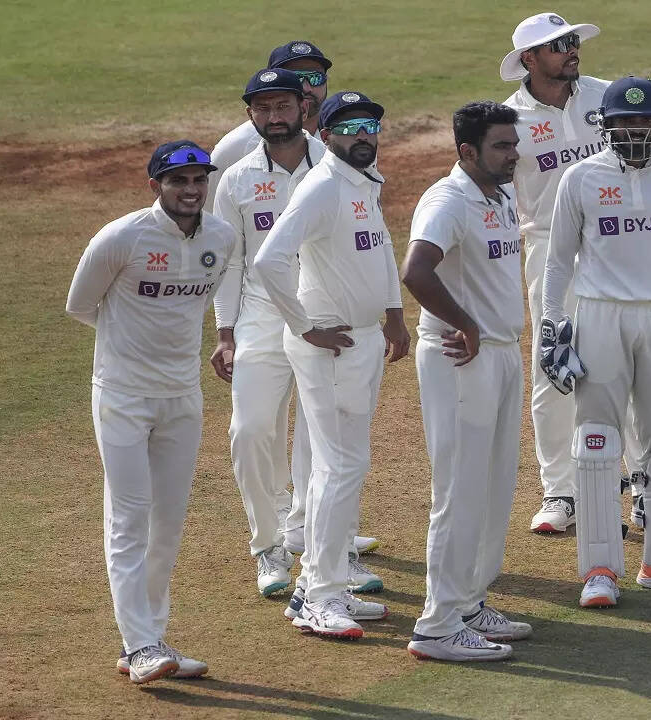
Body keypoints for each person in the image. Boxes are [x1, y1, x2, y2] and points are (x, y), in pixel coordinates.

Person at [540, 77, 651, 608]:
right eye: (626, 122)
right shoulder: (580, 178)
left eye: (645, 121)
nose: (636, 131)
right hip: (600, 316)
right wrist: (552, 328)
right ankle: (599, 569)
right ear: (607, 125)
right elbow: (558, 261)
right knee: (597, 443)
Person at [206, 40, 381, 558]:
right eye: (263, 108)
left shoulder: (336, 161)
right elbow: (231, 260)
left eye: (284, 104)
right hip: (262, 314)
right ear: (251, 114)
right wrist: (224, 332)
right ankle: (269, 542)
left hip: (324, 308)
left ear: (303, 107)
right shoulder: (235, 173)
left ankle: (322, 536)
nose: (275, 116)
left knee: (323, 436)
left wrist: (383, 311)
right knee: (249, 430)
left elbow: (367, 237)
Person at [66, 141, 233, 682]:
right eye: (178, 181)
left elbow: (201, 301)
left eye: (198, 180)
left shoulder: (221, 237)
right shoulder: (122, 237)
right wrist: (130, 346)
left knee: (168, 523)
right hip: (122, 396)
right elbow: (80, 305)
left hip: (182, 397)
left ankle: (148, 639)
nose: (191, 190)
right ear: (155, 185)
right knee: (129, 518)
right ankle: (140, 645)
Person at [253, 91, 410, 639]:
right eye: (350, 127)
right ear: (326, 136)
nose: (363, 135)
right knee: (339, 467)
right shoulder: (322, 187)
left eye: (370, 125)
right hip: (331, 345)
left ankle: (320, 586)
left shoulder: (364, 181)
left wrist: (394, 314)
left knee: (340, 467)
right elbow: (269, 259)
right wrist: (303, 326)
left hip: (361, 339)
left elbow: (379, 247)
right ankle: (319, 595)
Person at [402, 101, 533, 662]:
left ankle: (469, 602)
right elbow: (415, 271)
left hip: (500, 353)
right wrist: (466, 324)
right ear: (467, 151)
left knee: (494, 484)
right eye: (501, 146)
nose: (513, 154)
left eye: (514, 144)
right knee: (459, 491)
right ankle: (437, 625)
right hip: (461, 358)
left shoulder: (498, 196)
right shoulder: (448, 201)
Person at [501, 12, 608, 533]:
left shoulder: (608, 97)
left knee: (629, 355)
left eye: (571, 41)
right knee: (553, 362)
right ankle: (560, 492)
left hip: (615, 240)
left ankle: (644, 483)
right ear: (529, 59)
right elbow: (498, 196)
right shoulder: (508, 120)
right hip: (547, 247)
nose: (571, 50)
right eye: (557, 45)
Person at [206, 40, 333, 212]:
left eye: (315, 77)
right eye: (295, 78)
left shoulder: (345, 139)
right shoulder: (233, 149)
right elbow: (211, 218)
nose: (306, 87)